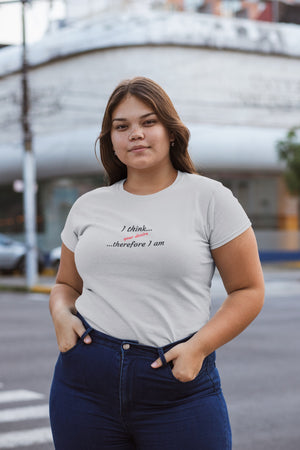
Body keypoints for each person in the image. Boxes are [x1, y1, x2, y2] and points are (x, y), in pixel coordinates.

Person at [49, 76, 265, 450]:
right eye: (122, 126)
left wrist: (199, 348)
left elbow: (248, 290)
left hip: (177, 388)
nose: (136, 134)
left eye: (148, 122)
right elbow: (66, 285)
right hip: (83, 387)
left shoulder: (210, 198)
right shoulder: (88, 206)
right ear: (111, 141)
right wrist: (60, 315)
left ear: (171, 131)